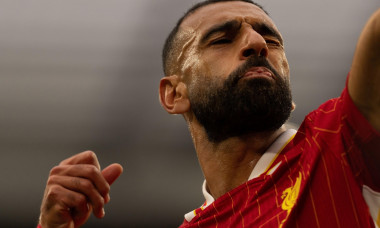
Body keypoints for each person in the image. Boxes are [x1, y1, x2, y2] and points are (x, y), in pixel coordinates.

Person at [37, 0, 380, 227]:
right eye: (221, 40)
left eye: (271, 40)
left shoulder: (339, 143)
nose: (257, 43)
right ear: (173, 95)